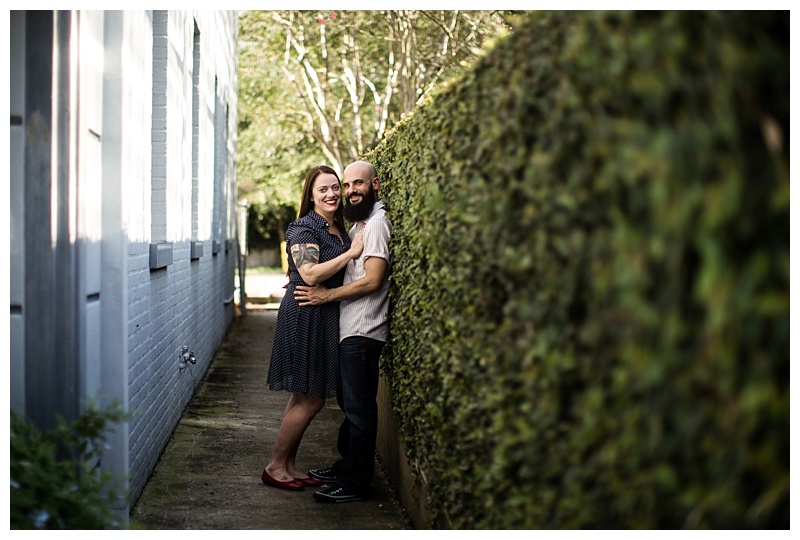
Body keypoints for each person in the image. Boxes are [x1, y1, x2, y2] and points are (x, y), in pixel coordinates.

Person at [293, 160, 392, 503]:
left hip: (364, 331)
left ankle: (354, 482)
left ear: (375, 184)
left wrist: (325, 295)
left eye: (356, 184)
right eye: (345, 185)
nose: (349, 191)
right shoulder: (359, 226)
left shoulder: (376, 226)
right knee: (351, 405)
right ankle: (345, 465)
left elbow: (374, 279)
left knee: (359, 409)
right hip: (351, 329)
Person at [261, 165, 364, 491]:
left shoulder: (337, 228)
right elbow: (309, 274)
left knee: (303, 395)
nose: (332, 194)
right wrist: (351, 253)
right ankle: (275, 466)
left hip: (323, 314)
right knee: (312, 399)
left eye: (336, 187)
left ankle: (288, 465)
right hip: (306, 314)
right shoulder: (304, 228)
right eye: (324, 189)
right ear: (311, 195)